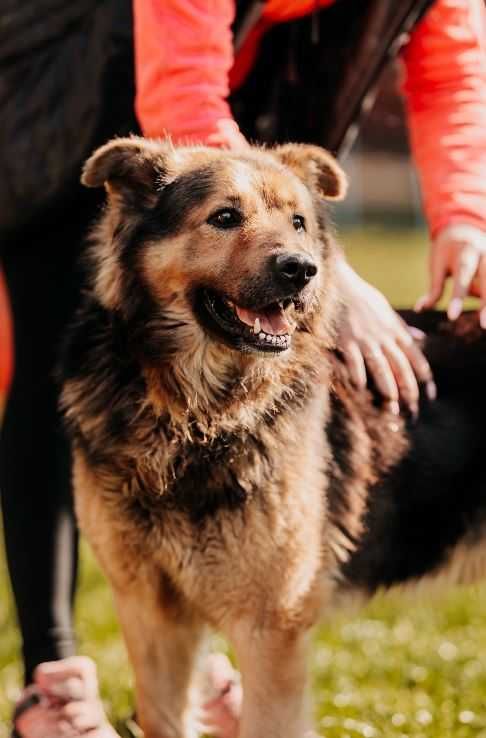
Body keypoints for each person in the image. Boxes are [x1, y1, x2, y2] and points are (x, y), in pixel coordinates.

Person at [5, 1, 486, 738]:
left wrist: (462, 213)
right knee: (51, 366)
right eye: (229, 224)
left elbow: (453, 67)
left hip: (253, 97)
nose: (298, 256)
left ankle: (221, 686)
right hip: (69, 95)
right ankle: (56, 682)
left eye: (301, 233)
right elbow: (182, 78)